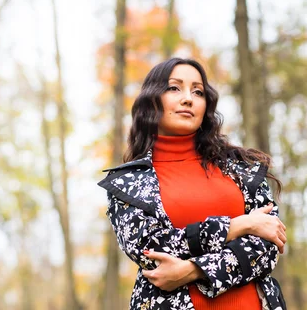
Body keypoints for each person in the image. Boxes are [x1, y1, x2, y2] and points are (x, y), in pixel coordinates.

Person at [98, 58, 287, 310]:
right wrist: (239, 225)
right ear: (152, 99)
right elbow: (154, 251)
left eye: (197, 91)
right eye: (174, 88)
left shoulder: (242, 168)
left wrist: (193, 270)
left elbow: (267, 245)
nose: (188, 98)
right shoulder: (128, 183)